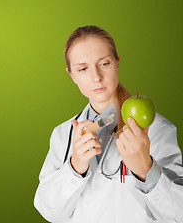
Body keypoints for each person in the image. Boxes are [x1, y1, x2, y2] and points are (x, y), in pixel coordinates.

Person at [34, 25, 183, 222]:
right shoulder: (63, 134)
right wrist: (75, 167)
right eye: (83, 68)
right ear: (71, 75)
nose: (96, 77)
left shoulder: (156, 129)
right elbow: (49, 211)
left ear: (117, 63)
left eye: (104, 63)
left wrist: (146, 170)